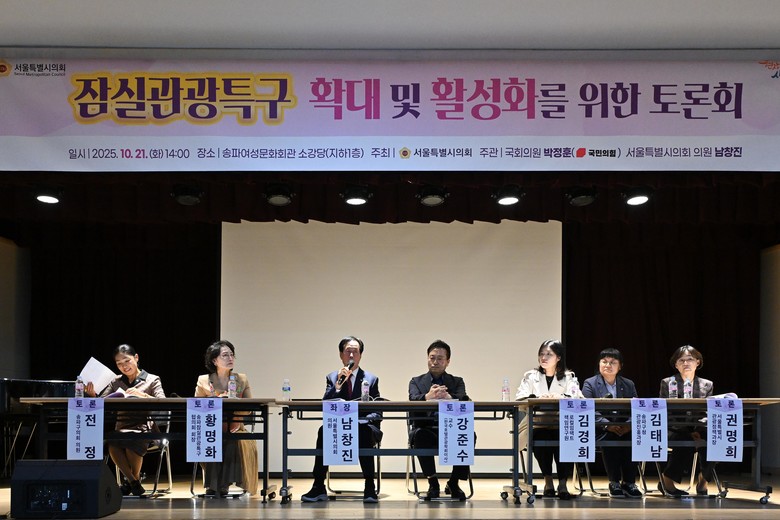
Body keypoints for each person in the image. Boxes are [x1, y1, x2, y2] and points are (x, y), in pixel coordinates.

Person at [301, 336, 382, 503]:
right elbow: (326, 404)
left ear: (360, 355)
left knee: (363, 432)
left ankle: (369, 486)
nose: (351, 355)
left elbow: (377, 411)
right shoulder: (332, 377)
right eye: (348, 351)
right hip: (339, 425)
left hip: (363, 425)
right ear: (340, 355)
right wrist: (337, 386)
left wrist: (358, 422)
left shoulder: (371, 379)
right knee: (324, 431)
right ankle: (318, 486)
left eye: (355, 352)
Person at [84, 344, 165, 497]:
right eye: (119, 363)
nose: (124, 366)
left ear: (136, 358)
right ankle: (134, 481)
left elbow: (162, 402)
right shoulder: (115, 381)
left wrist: (142, 395)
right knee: (112, 442)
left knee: (131, 441)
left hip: (144, 427)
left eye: (127, 361)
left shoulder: (152, 379)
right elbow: (103, 402)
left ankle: (130, 482)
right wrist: (93, 396)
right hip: (122, 426)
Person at [516, 339, 582, 500]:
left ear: (558, 357)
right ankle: (548, 481)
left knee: (567, 439)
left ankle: (563, 484)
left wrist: (560, 397)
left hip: (562, 424)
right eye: (541, 354)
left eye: (548, 354)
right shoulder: (530, 376)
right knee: (540, 440)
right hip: (536, 424)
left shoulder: (569, 377)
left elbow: (578, 398)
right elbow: (520, 399)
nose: (543, 357)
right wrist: (537, 399)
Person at [194, 340, 258, 497]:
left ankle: (221, 486)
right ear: (214, 360)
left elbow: (249, 406)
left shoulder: (241, 379)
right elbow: (197, 407)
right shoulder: (203, 380)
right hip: (211, 426)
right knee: (212, 438)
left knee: (231, 439)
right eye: (225, 355)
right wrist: (215, 402)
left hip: (236, 427)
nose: (230, 358)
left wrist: (236, 417)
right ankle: (215, 485)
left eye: (232, 355)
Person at [408, 339, 471, 500]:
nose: (435, 362)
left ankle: (454, 482)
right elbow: (413, 400)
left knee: (468, 435)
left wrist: (448, 397)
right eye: (432, 358)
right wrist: (428, 396)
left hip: (451, 428)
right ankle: (432, 482)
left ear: (448, 361)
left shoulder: (457, 381)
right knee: (420, 436)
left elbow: (464, 399)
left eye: (440, 358)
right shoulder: (416, 381)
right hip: (426, 428)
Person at [581, 348, 642, 498]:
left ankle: (629, 483)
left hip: (625, 428)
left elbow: (636, 408)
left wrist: (629, 425)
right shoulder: (590, 383)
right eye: (604, 361)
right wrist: (607, 425)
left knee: (635, 438)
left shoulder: (628, 384)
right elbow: (587, 408)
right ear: (599, 364)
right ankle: (614, 482)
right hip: (600, 429)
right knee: (610, 438)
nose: (608, 365)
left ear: (620, 366)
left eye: (613, 362)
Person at [658, 345, 715, 497]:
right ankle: (667, 480)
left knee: (716, 439)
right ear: (676, 365)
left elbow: (707, 412)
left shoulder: (706, 384)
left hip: (699, 428)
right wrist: (687, 431)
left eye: (690, 359)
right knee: (684, 439)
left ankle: (703, 481)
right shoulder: (667, 383)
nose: (686, 363)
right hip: (673, 429)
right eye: (681, 360)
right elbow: (666, 412)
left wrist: (698, 429)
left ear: (698, 362)